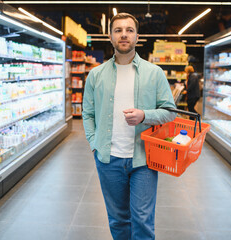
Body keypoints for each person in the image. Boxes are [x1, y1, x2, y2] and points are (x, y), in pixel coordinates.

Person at [82, 12, 176, 240]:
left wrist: (145, 115)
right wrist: (95, 144)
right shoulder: (96, 75)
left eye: (129, 30)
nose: (124, 34)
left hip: (144, 159)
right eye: (118, 30)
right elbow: (87, 114)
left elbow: (170, 112)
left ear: (137, 36)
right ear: (110, 36)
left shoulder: (154, 73)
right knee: (118, 220)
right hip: (108, 159)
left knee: (142, 221)